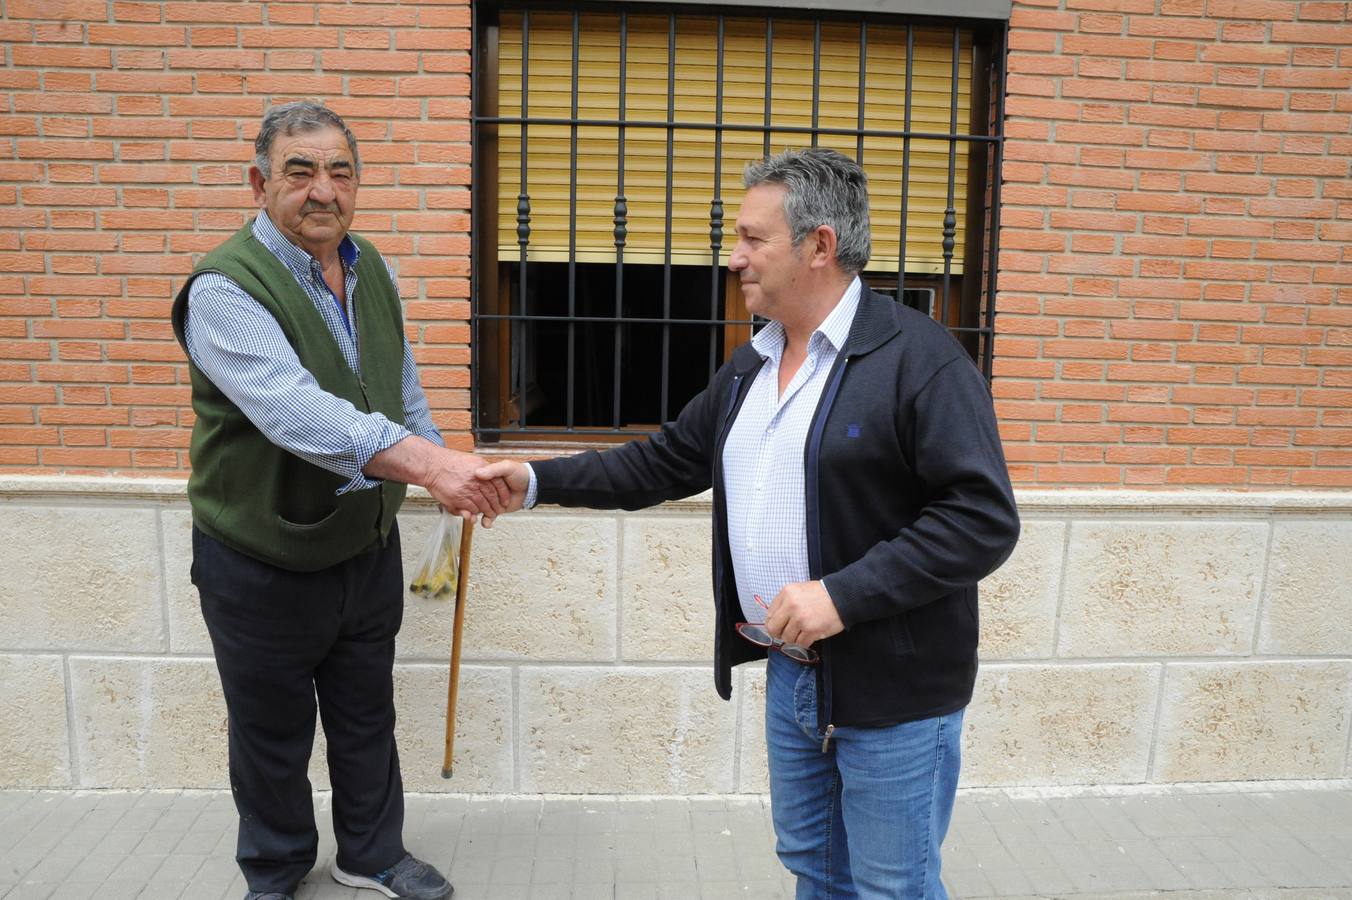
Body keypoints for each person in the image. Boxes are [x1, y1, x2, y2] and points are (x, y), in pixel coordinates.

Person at [477, 147, 1020, 898]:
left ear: (818, 247)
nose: (733, 258)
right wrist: (533, 480)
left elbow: (982, 519)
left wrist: (841, 595)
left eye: (751, 239)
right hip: (793, 679)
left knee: (892, 887)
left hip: (896, 694)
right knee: (816, 870)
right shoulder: (753, 365)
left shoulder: (919, 360)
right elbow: (663, 462)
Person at [171, 101, 505, 900]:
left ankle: (371, 854)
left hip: (363, 548)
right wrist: (429, 465)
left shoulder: (372, 268)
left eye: (340, 171)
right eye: (300, 171)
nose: (323, 190)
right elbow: (296, 414)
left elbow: (400, 386)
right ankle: (278, 868)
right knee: (271, 733)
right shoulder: (223, 291)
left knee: (366, 715)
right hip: (259, 557)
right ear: (260, 184)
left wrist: (445, 471)